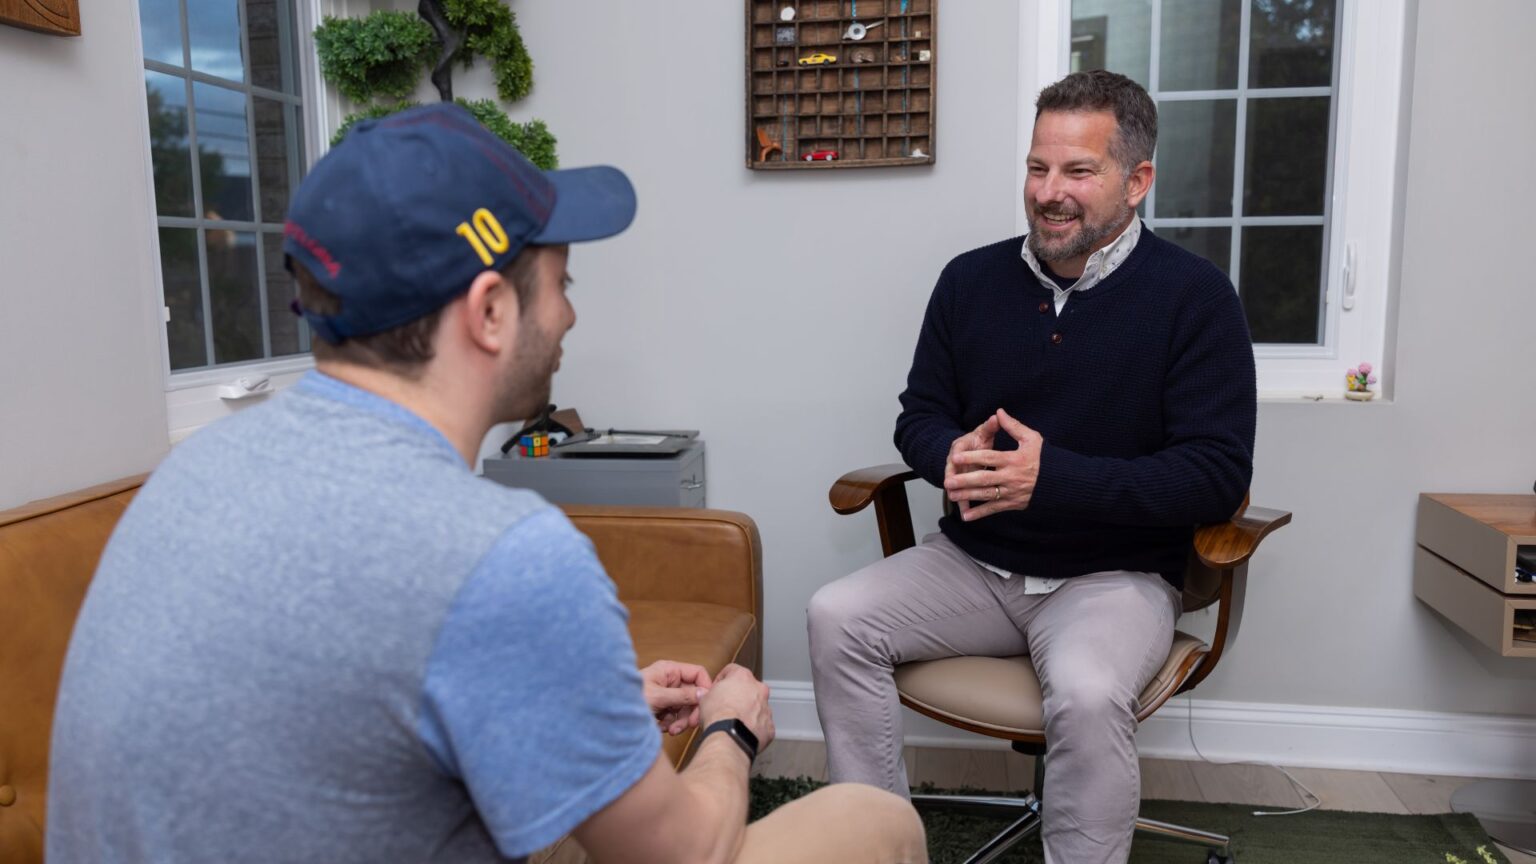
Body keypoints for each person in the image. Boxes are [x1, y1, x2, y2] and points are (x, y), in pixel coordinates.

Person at [48, 103, 926, 864]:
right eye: (560, 282)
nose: (570, 313)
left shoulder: (194, 471)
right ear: (491, 312)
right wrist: (732, 725)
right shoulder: (501, 555)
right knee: (871, 819)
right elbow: (685, 852)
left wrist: (588, 705)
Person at [807, 70, 1256, 864]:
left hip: (1113, 577)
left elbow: (1215, 474)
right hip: (975, 565)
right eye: (1037, 167)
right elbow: (919, 414)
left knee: (1086, 692)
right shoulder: (969, 281)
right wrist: (947, 453)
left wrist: (1054, 478)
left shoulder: (1197, 298)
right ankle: (876, 847)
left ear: (1137, 181)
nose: (1049, 193)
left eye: (1078, 171)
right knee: (836, 617)